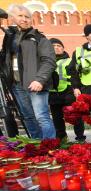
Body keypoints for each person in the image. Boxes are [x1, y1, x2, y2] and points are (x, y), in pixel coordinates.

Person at [1, 4, 56, 139]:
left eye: (27, 17)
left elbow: (49, 61)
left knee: (41, 116)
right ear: (13, 18)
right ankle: (36, 146)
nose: (24, 19)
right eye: (20, 16)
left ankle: (50, 146)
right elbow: (5, 58)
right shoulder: (9, 37)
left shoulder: (39, 38)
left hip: (35, 84)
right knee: (28, 117)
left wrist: (40, 79)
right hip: (17, 84)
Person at [48, 38, 85, 142]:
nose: (56, 48)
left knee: (75, 116)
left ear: (63, 48)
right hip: (53, 94)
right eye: (53, 46)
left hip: (69, 92)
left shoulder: (70, 61)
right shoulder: (46, 62)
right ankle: (62, 139)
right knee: (57, 119)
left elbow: (76, 76)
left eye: (59, 46)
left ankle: (80, 138)